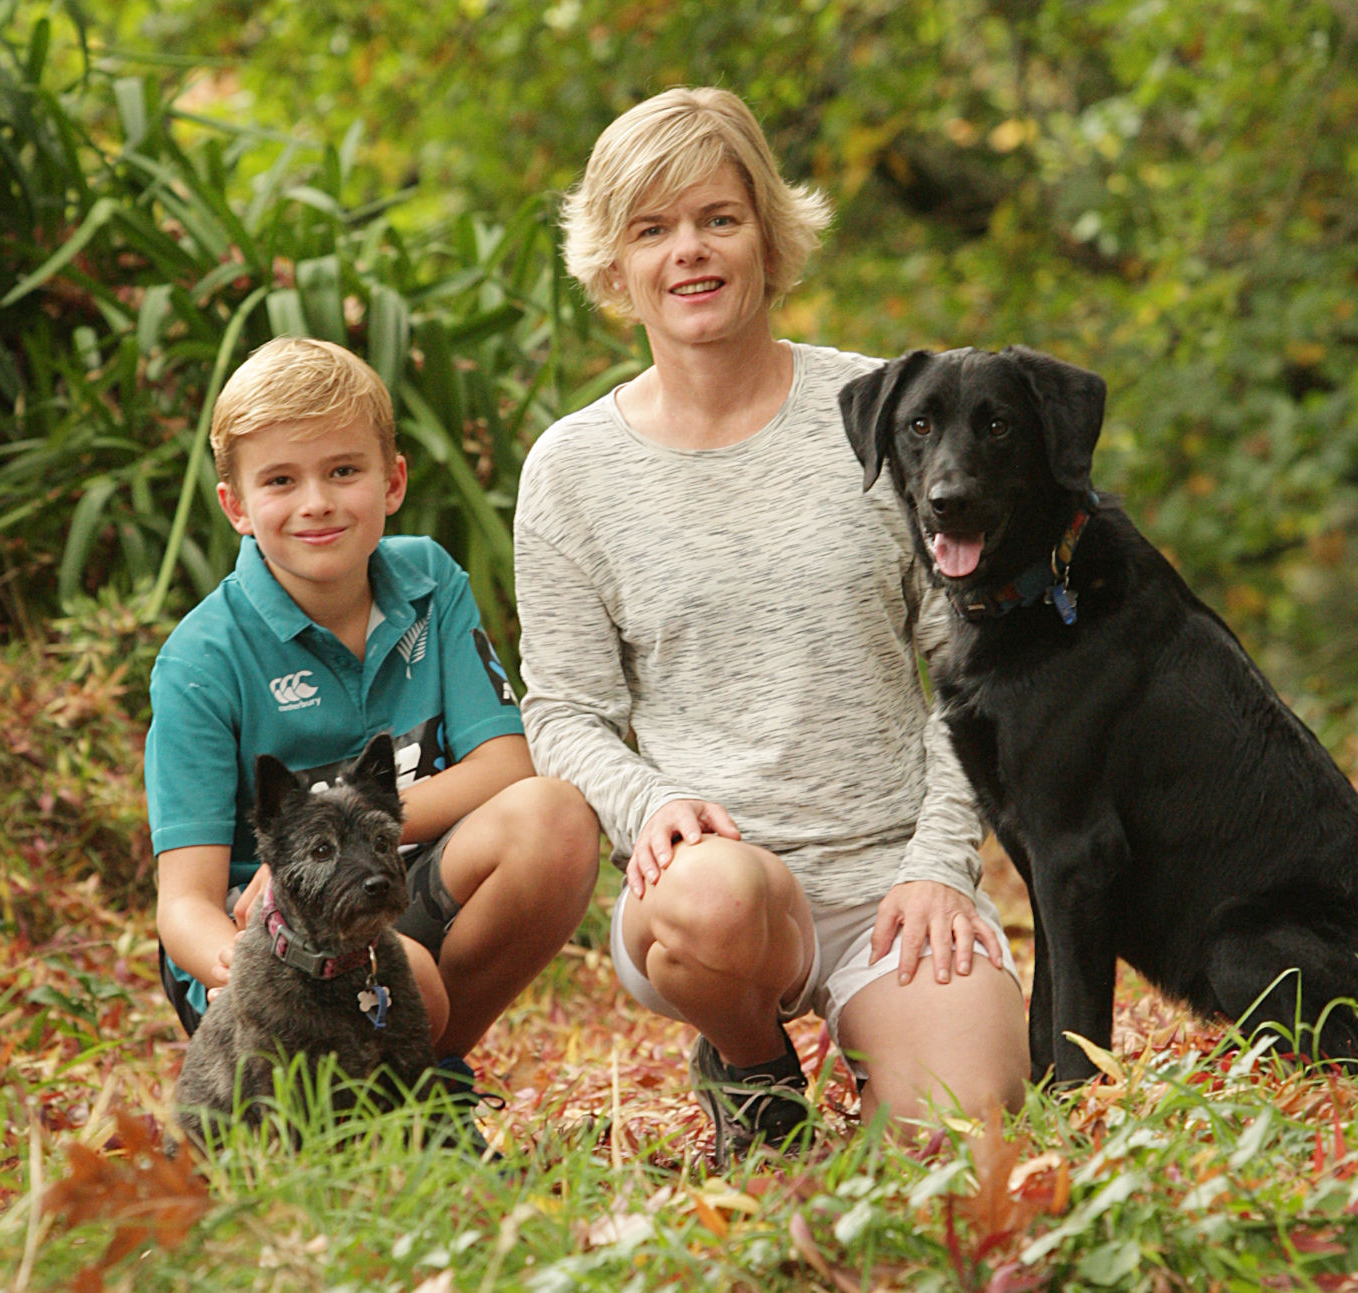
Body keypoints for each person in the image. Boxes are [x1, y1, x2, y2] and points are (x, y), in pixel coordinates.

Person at [514, 87, 1029, 1164]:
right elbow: (562, 710)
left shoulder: (891, 418)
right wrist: (649, 802)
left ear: (767, 234)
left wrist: (943, 862)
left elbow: (980, 672)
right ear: (614, 263)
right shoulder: (572, 470)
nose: (689, 254)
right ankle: (750, 1063)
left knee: (965, 1150)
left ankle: (881, 1051)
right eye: (651, 230)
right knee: (715, 899)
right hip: (712, 889)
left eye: (718, 218)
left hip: (894, 887)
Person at [146, 336, 599, 1090]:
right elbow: (183, 903)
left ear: (392, 482)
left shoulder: (429, 583)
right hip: (267, 950)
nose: (317, 501)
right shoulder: (201, 658)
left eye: (344, 470)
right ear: (237, 506)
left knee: (554, 817)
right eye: (281, 480)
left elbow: (506, 766)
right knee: (402, 971)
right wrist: (254, 959)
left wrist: (356, 827)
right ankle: (380, 1090)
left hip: (394, 893)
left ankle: (431, 1072)